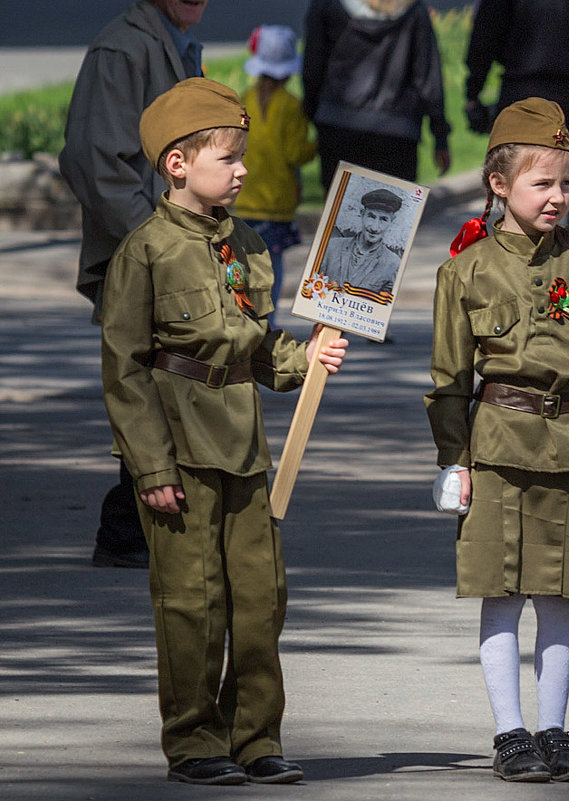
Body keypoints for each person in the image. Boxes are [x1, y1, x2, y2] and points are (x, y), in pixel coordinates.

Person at [100, 78, 349, 785]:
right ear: (177, 164)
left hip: (242, 445)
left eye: (243, 156)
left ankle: (255, 738)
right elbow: (125, 369)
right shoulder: (145, 250)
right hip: (177, 450)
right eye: (228, 157)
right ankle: (193, 742)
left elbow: (253, 344)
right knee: (191, 603)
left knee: (260, 597)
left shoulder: (241, 242)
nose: (243, 169)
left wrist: (307, 359)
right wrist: (149, 468)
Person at [424, 98, 569, 783]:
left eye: (567, 185)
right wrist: (455, 460)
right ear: (498, 184)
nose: (557, 197)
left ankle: (554, 728)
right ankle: (510, 732)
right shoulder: (466, 271)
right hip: (498, 448)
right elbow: (449, 379)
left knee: (559, 594)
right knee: (502, 592)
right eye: (541, 183)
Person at [59, 0, 210, 569]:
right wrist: (159, 241)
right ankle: (129, 527)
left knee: (172, 384)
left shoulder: (169, 38)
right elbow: (93, 159)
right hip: (144, 254)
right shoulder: (124, 47)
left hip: (171, 248)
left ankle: (139, 525)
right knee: (148, 383)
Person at [463, 0, 569, 213]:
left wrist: (473, 89)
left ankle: (524, 239)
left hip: (524, 88)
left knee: (522, 176)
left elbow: (486, 32)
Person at [302, 0, 451, 188]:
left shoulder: (327, 6)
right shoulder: (414, 10)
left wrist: (312, 112)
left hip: (338, 124)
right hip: (396, 130)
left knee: (339, 213)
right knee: (391, 212)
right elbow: (427, 76)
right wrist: (440, 136)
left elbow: (313, 66)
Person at [233, 24, 318, 329]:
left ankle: (245, 313)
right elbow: (296, 153)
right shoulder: (291, 106)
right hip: (278, 204)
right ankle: (267, 319)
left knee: (245, 262)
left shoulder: (244, 100)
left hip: (244, 199)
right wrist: (317, 145)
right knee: (273, 264)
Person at [320, 188, 403, 295]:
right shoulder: (331, 247)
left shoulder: (393, 264)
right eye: (371, 216)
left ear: (392, 220)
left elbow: (384, 305)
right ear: (362, 214)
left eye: (383, 219)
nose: (375, 227)